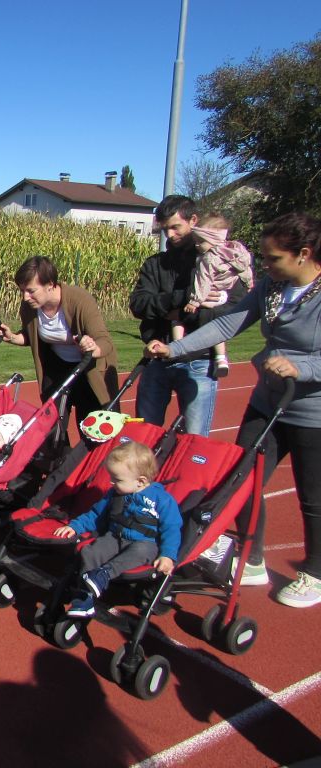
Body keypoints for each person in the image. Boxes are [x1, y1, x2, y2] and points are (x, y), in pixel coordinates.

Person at [146, 212, 321, 608]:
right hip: (267, 403)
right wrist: (175, 348)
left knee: (313, 496)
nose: (264, 266)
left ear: (304, 254)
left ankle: (314, 572)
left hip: (312, 412)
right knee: (242, 481)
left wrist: (301, 368)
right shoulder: (272, 289)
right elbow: (226, 326)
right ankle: (252, 558)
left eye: (273, 258)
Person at [129, 195, 249, 436]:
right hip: (156, 358)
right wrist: (184, 298)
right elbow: (139, 304)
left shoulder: (218, 263)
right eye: (165, 229)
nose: (170, 235)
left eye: (176, 227)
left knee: (194, 439)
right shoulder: (155, 264)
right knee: (144, 435)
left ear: (193, 220)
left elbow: (233, 311)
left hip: (199, 361)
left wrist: (182, 316)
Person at [53, 441, 182, 618]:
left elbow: (172, 529)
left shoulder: (163, 500)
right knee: (91, 552)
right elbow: (96, 514)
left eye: (117, 480)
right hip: (115, 537)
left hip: (146, 543)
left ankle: (104, 574)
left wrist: (167, 555)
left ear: (141, 481)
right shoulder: (114, 494)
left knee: (139, 551)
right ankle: (84, 597)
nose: (111, 482)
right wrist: (75, 526)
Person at [0, 256, 118, 429]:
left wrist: (92, 347)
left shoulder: (79, 300)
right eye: (22, 291)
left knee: (90, 425)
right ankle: (58, 446)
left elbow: (105, 341)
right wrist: (13, 337)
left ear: (50, 284)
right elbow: (32, 335)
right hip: (57, 366)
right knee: (52, 424)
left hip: (86, 367)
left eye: (31, 291)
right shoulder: (30, 307)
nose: (25, 297)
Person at [172, 212, 255, 378]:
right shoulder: (235, 251)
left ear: (213, 239)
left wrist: (195, 301)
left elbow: (203, 281)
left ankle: (177, 347)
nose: (197, 246)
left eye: (200, 242)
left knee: (176, 319)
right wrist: (249, 284)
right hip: (224, 295)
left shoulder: (209, 258)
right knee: (217, 329)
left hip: (209, 294)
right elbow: (245, 270)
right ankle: (221, 358)